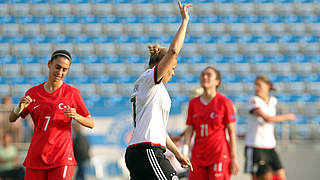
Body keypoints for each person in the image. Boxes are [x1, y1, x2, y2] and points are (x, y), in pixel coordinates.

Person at [125, 1, 193, 179]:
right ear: (161, 65)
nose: (173, 72)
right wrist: (184, 22)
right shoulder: (149, 79)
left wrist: (177, 154)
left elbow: (160, 130)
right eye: (173, 68)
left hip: (142, 151)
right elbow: (173, 52)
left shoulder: (155, 90)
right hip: (146, 150)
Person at [8, 50, 94, 180]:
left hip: (61, 157)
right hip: (36, 157)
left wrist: (76, 116)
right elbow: (12, 118)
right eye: (57, 67)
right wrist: (19, 107)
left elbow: (91, 123)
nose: (60, 72)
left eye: (65, 69)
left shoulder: (72, 93)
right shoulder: (33, 92)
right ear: (49, 64)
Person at [183, 66, 239, 180]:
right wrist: (184, 151)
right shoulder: (193, 103)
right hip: (198, 155)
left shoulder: (225, 102)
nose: (205, 77)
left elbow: (232, 132)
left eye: (209, 75)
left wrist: (234, 158)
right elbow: (190, 129)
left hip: (218, 154)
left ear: (217, 81)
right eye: (203, 74)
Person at [244, 75, 296, 180]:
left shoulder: (273, 101)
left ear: (268, 86)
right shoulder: (253, 100)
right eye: (255, 85)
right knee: (258, 177)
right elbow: (266, 118)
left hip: (270, 146)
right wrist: (287, 116)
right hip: (255, 146)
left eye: (259, 85)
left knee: (280, 174)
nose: (256, 87)